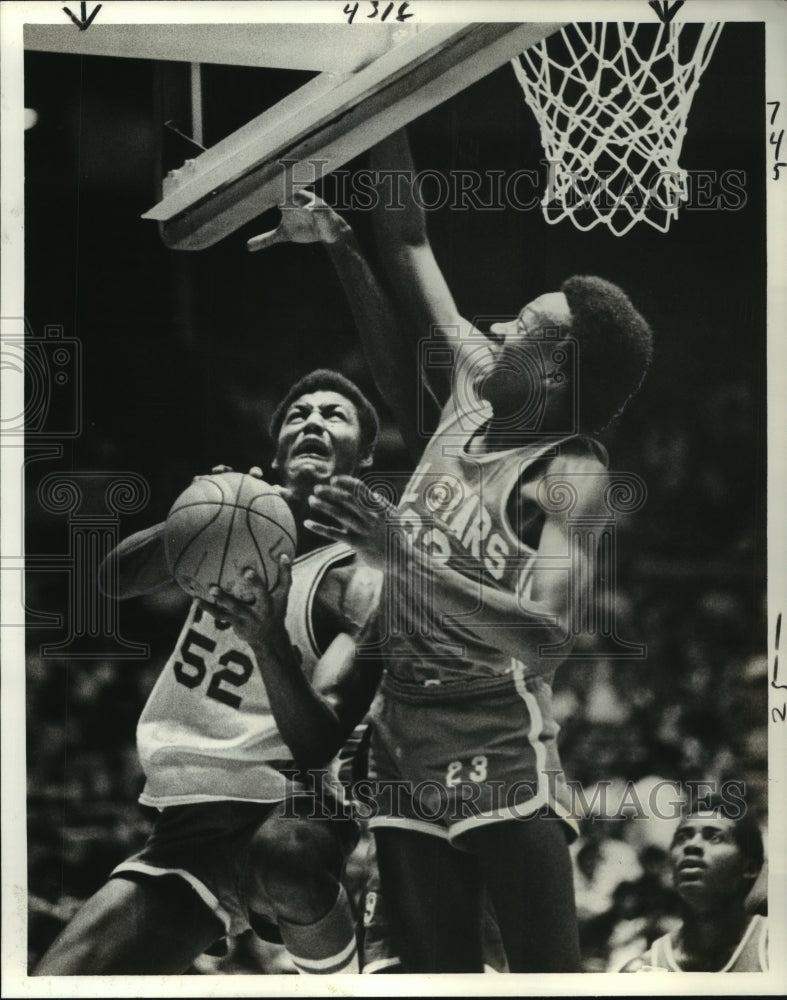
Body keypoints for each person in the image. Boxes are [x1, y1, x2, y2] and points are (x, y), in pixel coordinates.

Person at [284, 128, 655, 972]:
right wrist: (386, 106)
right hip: (401, 731)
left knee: (545, 976)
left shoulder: (568, 472)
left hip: (492, 731)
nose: (492, 326)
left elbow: (546, 638)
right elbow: (409, 237)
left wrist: (404, 555)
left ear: (554, 375)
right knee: (435, 980)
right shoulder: (472, 390)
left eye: (518, 328)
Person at [33, 368, 387, 976]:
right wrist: (194, 518)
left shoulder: (364, 576)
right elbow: (111, 582)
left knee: (287, 852)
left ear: (365, 457)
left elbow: (318, 741)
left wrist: (268, 639)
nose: (313, 421)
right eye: (299, 414)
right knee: (56, 981)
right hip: (190, 823)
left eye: (335, 414)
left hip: (296, 802)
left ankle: (339, 983)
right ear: (274, 452)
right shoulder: (226, 525)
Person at [619, 798, 768, 972]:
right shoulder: (642, 970)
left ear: (749, 867)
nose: (691, 845)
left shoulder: (775, 951)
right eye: (682, 837)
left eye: (714, 837)